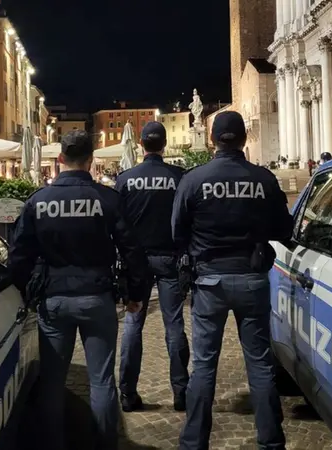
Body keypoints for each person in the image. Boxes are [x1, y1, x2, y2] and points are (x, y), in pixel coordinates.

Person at [9, 130, 149, 450]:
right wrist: (135, 293)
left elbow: (18, 256)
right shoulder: (107, 199)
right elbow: (132, 250)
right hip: (97, 296)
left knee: (52, 384)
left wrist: (25, 291)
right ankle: (103, 444)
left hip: (53, 299)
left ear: (60, 159)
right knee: (101, 381)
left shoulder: (38, 201)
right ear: (91, 160)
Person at [172, 111, 293, 450]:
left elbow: (176, 232)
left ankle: (194, 442)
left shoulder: (194, 180)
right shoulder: (264, 179)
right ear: (243, 139)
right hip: (252, 277)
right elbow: (284, 230)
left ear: (212, 139)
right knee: (259, 363)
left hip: (209, 280)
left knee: (204, 366)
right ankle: (271, 442)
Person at [115, 121, 190, 413]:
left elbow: (118, 224)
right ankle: (181, 392)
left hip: (136, 263)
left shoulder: (125, 179)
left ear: (141, 145)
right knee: (174, 325)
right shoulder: (179, 177)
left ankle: (127, 394)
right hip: (170, 260)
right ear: (164, 144)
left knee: (133, 325)